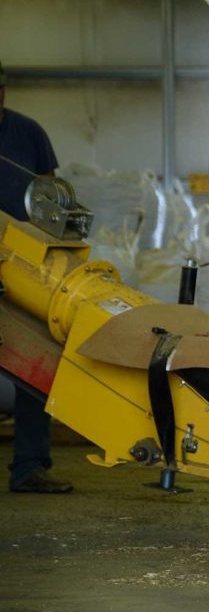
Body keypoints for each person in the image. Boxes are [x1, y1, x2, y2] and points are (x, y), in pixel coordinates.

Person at [0, 60, 73, 495]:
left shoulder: (28, 133)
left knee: (35, 366)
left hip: (25, 266)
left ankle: (28, 467)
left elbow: (50, 197)